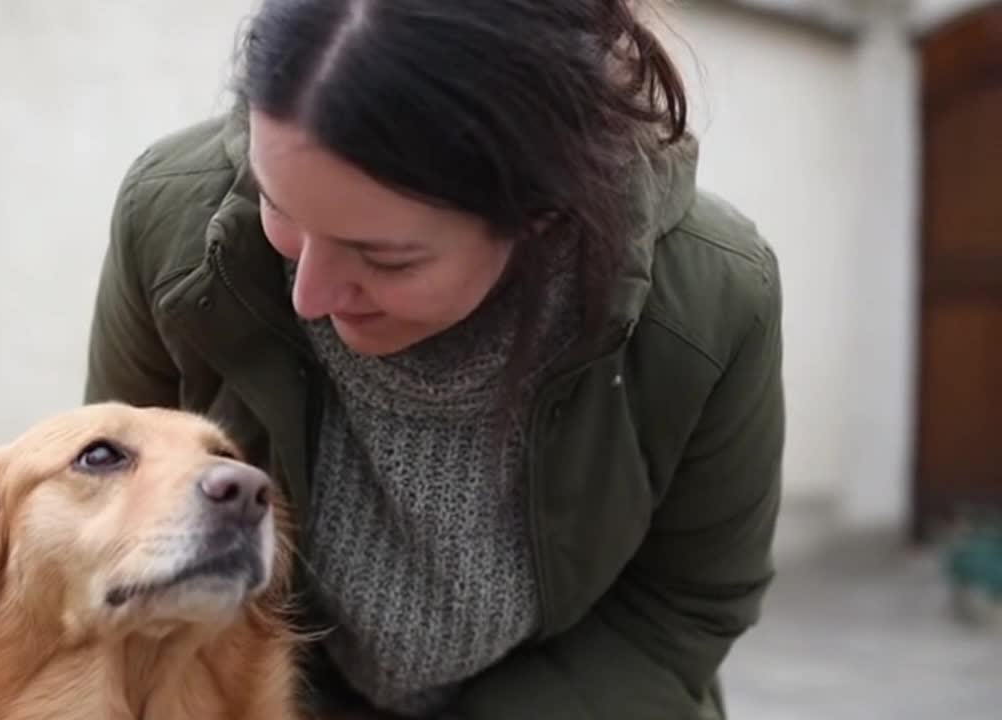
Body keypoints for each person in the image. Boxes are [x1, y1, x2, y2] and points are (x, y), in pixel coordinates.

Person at [83, 1, 785, 718]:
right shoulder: (173, 221)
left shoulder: (711, 304)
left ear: (542, 211)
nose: (309, 295)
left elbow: (683, 606)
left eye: (385, 258)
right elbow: (113, 538)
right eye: (278, 206)